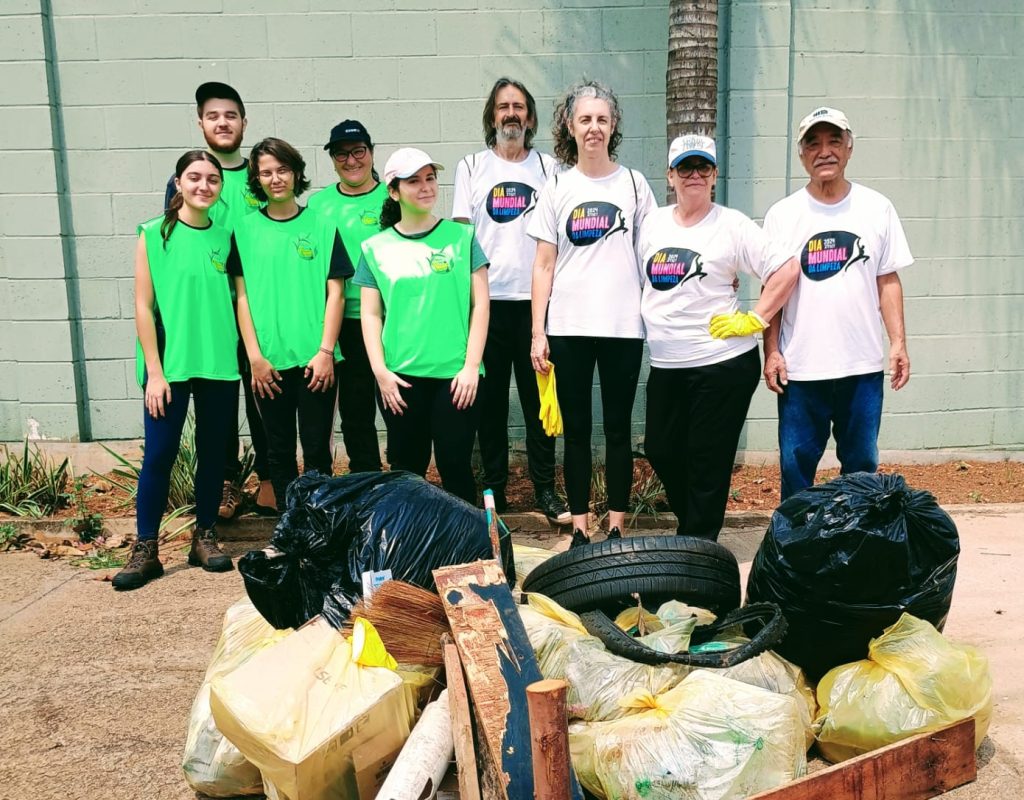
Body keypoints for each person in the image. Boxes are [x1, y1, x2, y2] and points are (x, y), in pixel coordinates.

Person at [638, 135, 800, 540]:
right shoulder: (652, 224)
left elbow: (786, 269)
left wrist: (755, 318)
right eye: (686, 168)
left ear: (714, 176)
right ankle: (694, 532)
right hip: (667, 364)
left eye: (704, 168)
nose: (695, 175)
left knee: (707, 460)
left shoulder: (731, 224)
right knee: (660, 448)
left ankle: (697, 546)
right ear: (670, 176)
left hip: (721, 364)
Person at [528, 80, 656, 547]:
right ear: (570, 125)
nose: (594, 128)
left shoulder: (635, 185)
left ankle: (617, 523)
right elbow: (543, 265)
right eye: (585, 119)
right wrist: (537, 333)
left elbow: (652, 256)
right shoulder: (557, 186)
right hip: (569, 328)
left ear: (614, 124)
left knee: (620, 429)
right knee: (577, 432)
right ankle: (581, 527)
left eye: (602, 119)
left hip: (624, 327)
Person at [761, 107, 913, 499]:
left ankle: (858, 551)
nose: (824, 151)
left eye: (833, 142)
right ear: (801, 155)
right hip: (801, 370)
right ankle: (795, 553)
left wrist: (898, 343)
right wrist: (772, 350)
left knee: (861, 468)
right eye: (813, 143)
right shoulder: (783, 215)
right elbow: (773, 292)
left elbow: (887, 280)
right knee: (795, 471)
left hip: (860, 368)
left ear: (849, 149)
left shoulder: (876, 208)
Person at [114, 151, 240, 591]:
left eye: (212, 179)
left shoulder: (226, 238)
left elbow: (237, 300)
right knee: (159, 455)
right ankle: (146, 546)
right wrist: (155, 371)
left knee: (212, 454)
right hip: (170, 366)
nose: (203, 186)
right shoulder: (153, 234)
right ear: (179, 182)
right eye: (195, 178)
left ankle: (204, 536)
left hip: (219, 364)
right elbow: (143, 306)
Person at [452, 78, 569, 524]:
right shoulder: (470, 167)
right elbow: (461, 237)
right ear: (492, 116)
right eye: (503, 107)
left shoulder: (550, 168)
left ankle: (545, 489)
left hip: (538, 305)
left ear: (531, 117)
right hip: (488, 303)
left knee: (542, 403)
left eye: (519, 106)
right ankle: (494, 490)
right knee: (490, 404)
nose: (511, 114)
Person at [164, 81, 275, 519]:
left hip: (260, 304)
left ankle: (270, 482)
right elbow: (172, 246)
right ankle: (226, 483)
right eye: (213, 116)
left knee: (264, 393)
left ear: (244, 122)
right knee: (220, 399)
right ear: (200, 123)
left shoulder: (260, 173)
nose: (222, 122)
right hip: (211, 310)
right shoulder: (194, 175)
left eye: (230, 115)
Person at [355, 148, 490, 505]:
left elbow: (480, 305)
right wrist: (381, 372)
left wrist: (471, 367)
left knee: (455, 465)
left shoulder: (462, 238)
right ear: (394, 191)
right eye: (414, 181)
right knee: (406, 470)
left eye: (430, 178)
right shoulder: (374, 248)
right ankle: (409, 548)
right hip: (400, 380)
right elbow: (370, 315)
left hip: (456, 377)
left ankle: (467, 548)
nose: (426, 187)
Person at [229, 137, 353, 512]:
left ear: (296, 173)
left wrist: (326, 352)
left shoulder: (323, 224)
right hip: (267, 363)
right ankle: (287, 526)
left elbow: (337, 293)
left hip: (315, 361)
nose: (275, 178)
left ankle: (318, 524)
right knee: (277, 449)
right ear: (257, 179)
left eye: (282, 169)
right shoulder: (244, 229)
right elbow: (242, 297)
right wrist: (255, 358)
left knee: (316, 449)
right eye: (266, 172)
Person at [306, 120, 386, 473]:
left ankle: (403, 480)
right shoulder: (318, 205)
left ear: (370, 152)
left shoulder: (392, 197)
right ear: (333, 159)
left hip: (387, 320)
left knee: (397, 404)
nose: (351, 161)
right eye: (342, 154)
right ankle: (365, 478)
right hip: (341, 321)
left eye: (358, 152)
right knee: (355, 411)